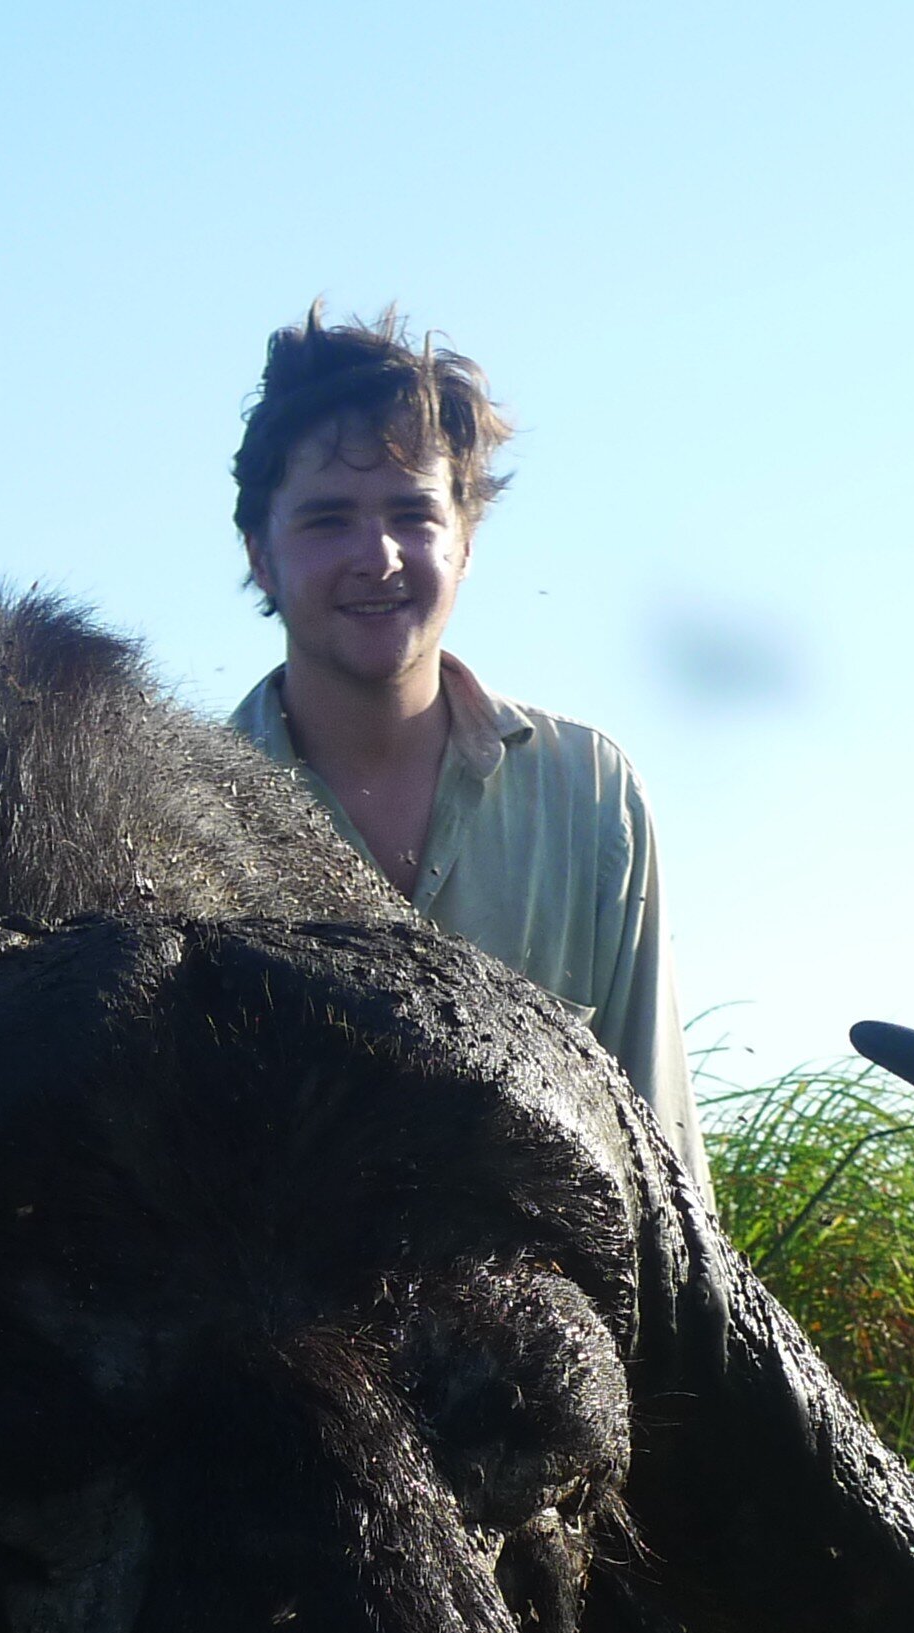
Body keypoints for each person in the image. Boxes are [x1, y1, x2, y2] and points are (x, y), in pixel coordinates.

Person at [227, 307, 709, 1179]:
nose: (377, 556)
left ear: (467, 540)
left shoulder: (588, 793)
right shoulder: (175, 811)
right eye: (327, 520)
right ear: (261, 554)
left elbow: (658, 1155)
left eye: (412, 514)